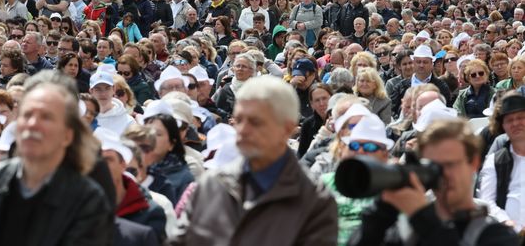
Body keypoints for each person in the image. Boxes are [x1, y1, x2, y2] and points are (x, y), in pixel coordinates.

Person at [0, 71, 114, 245]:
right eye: (27, 115)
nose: (32, 124)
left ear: (68, 135)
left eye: (46, 117)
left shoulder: (88, 201)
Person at [170, 76, 338, 245]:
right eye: (239, 120)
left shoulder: (314, 201)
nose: (242, 130)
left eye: (255, 122)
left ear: (287, 128)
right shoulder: (211, 185)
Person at [349, 119, 520, 245]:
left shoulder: (495, 235)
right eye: (433, 166)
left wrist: (423, 217)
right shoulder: (407, 231)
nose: (442, 174)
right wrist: (383, 209)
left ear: (474, 163)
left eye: (450, 164)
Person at [322, 114, 394, 244]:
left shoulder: (394, 187)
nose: (360, 151)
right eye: (354, 146)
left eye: (369, 147)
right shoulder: (325, 183)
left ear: (385, 155)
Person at [478, 91, 525, 229]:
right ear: (503, 126)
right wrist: (506, 222)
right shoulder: (495, 161)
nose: (515, 123)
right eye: (509, 120)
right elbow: (486, 201)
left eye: (521, 117)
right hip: (511, 235)